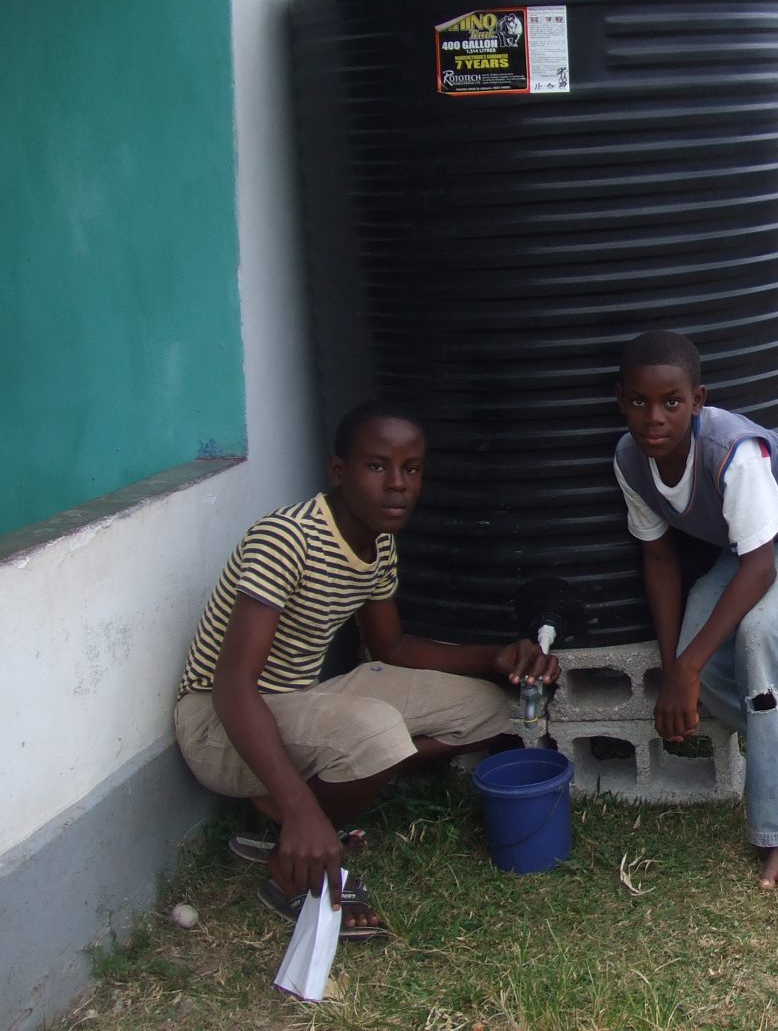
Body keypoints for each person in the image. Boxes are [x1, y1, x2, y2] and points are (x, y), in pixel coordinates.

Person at [173, 401, 559, 938]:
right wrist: (304, 810)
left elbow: (392, 647)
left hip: (303, 700)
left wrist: (491, 657)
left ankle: (290, 811)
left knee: (492, 709)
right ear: (339, 471)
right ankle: (297, 848)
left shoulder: (378, 543)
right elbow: (232, 687)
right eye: (377, 466)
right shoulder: (285, 540)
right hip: (218, 725)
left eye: (412, 468)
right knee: (374, 729)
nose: (398, 484)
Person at [613, 331, 778, 888]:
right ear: (621, 401)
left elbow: (760, 572)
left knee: (763, 632)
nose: (654, 417)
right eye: (639, 402)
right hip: (755, 547)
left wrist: (687, 668)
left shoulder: (732, 451)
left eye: (672, 402)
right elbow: (658, 560)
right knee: (694, 653)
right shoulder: (630, 460)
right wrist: (677, 664)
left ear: (698, 401)